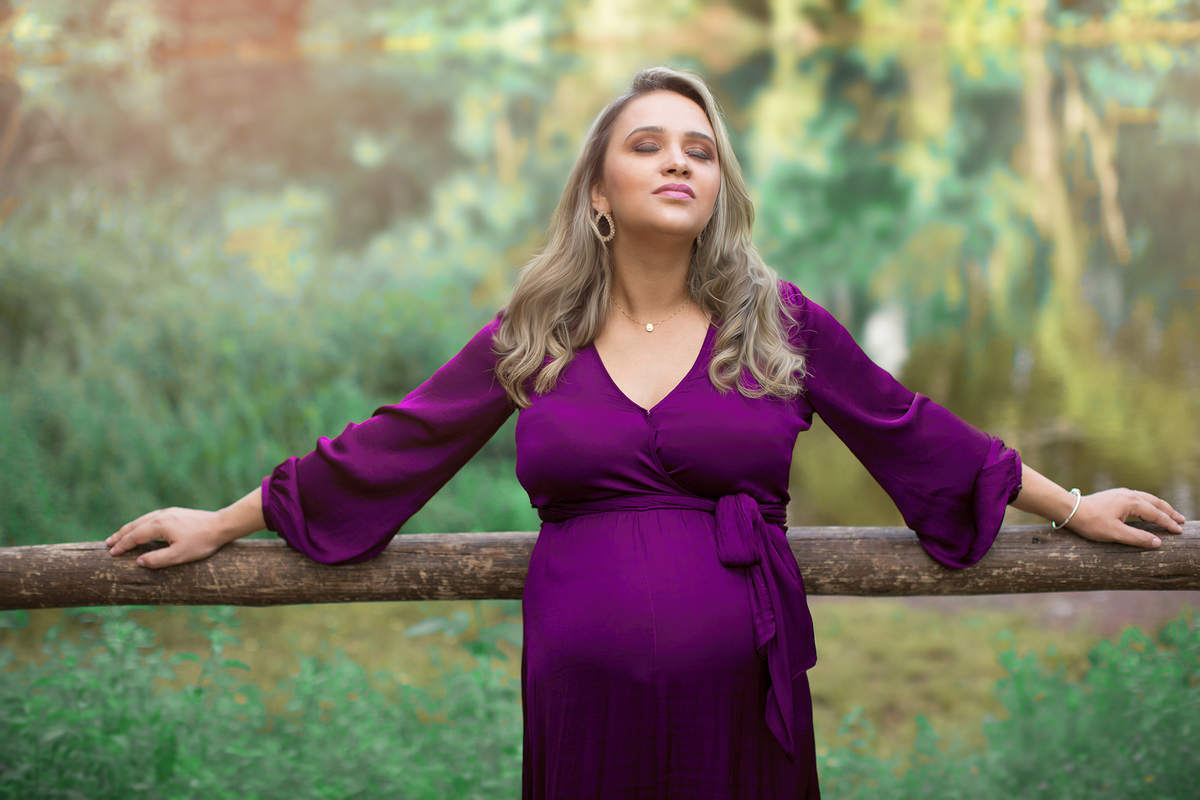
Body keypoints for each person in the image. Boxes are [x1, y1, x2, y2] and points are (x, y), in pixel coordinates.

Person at [105, 66, 1187, 798]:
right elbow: (397, 443)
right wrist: (226, 517)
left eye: (701, 151)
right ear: (602, 189)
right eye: (650, 145)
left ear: (719, 188)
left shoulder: (779, 324)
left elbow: (917, 433)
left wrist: (1073, 503)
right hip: (584, 697)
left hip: (742, 697)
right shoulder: (534, 333)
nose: (680, 162)